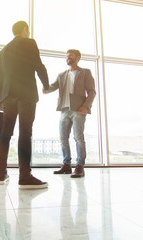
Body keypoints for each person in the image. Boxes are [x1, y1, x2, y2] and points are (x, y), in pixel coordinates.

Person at [0, 21, 49, 189]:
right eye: (28, 30)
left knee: (5, 134)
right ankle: (25, 176)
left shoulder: (2, 52)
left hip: (8, 97)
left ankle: (1, 174)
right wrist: (46, 85)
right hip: (26, 95)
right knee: (25, 133)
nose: (29, 32)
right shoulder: (29, 43)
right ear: (24, 30)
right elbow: (38, 65)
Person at [43, 49, 96, 178]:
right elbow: (52, 86)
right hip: (64, 110)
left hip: (78, 109)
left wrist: (86, 106)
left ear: (78, 57)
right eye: (67, 57)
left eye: (71, 56)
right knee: (63, 139)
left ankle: (80, 166)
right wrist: (45, 88)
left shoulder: (85, 72)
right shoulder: (62, 75)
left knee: (78, 138)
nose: (68, 58)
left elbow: (92, 92)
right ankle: (66, 165)